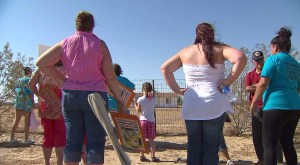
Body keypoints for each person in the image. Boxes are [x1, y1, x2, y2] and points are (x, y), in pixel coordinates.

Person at [35, 11, 125, 165]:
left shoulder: (65, 43)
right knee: (95, 142)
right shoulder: (100, 44)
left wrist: (62, 80)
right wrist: (119, 99)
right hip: (95, 96)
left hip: (70, 96)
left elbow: (41, 63)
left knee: (72, 140)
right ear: (93, 25)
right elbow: (110, 77)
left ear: (76, 25)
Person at [161, 23, 247, 165]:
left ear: (197, 34)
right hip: (215, 104)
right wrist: (228, 81)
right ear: (212, 34)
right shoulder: (220, 48)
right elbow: (241, 58)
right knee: (211, 148)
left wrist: (177, 90)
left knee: (193, 146)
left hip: (192, 103)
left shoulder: (186, 51)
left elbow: (165, 68)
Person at [250, 27, 300, 165]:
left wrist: (254, 102)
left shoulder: (273, 60)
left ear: (275, 46)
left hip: (275, 107)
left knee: (269, 145)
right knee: (287, 143)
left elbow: (263, 83)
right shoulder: (296, 64)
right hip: (295, 108)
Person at [246, 51, 283, 165]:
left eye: (261, 60)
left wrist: (257, 86)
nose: (259, 63)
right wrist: (261, 85)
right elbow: (247, 88)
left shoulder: (268, 71)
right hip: (256, 107)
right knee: (257, 136)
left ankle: (278, 159)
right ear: (253, 62)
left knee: (272, 135)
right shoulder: (250, 74)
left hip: (269, 106)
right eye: (256, 61)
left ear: (263, 59)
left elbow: (269, 84)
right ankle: (261, 159)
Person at [28, 61, 65, 165]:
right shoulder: (64, 69)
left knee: (47, 135)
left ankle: (47, 162)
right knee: (61, 136)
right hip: (61, 107)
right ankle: (59, 163)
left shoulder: (41, 69)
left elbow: (31, 84)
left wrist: (39, 95)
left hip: (45, 107)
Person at [134, 82, 160, 162]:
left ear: (142, 90)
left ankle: (142, 156)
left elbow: (138, 110)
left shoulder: (140, 99)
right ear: (151, 89)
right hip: (151, 121)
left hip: (143, 121)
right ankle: (153, 156)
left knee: (142, 139)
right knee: (151, 140)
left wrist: (134, 102)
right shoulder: (153, 99)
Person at [10, 66, 35, 145]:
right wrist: (33, 102)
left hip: (19, 101)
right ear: (28, 72)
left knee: (16, 121)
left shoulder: (19, 80)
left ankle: (12, 138)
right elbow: (31, 92)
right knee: (26, 121)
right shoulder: (29, 80)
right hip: (26, 102)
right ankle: (26, 139)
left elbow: (16, 90)